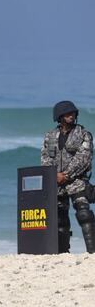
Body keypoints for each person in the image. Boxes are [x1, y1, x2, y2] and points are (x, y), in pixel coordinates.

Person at [41, 100, 95, 253]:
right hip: (57, 182)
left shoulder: (84, 134)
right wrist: (54, 175)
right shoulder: (50, 136)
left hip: (76, 181)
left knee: (84, 213)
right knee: (59, 218)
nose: (71, 115)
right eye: (67, 113)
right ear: (59, 116)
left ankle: (93, 253)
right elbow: (45, 158)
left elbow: (84, 158)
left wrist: (67, 175)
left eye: (73, 113)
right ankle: (62, 253)